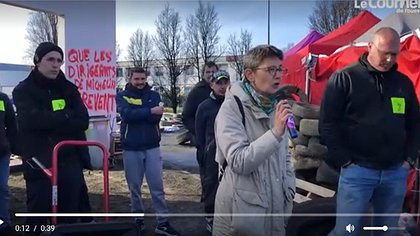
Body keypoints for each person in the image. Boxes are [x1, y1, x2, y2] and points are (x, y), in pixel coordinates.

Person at [319, 27, 420, 236]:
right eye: (385, 53)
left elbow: (415, 124)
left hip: (394, 173)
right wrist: (345, 161)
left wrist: (409, 159)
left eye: (394, 54)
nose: (390, 59)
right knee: (347, 231)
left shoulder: (403, 84)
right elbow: (328, 123)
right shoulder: (344, 78)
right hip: (357, 172)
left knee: (386, 231)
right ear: (370, 46)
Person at [212, 45, 296, 236]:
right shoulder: (231, 109)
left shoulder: (276, 106)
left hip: (275, 209)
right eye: (270, 69)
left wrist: (289, 185)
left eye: (280, 68)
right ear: (250, 74)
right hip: (242, 215)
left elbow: (285, 155)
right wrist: (274, 133)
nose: (278, 75)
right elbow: (239, 162)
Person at [12, 42, 92, 236]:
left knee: (69, 215)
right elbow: (31, 121)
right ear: (38, 61)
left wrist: (51, 119)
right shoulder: (23, 90)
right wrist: (65, 116)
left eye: (59, 60)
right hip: (39, 163)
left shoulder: (69, 89)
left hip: (69, 161)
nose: (55, 64)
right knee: (38, 216)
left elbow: (82, 120)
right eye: (50, 59)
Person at [116, 68, 179, 236]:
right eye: (136, 78)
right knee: (134, 188)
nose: (140, 81)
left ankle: (163, 222)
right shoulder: (122, 96)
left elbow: (156, 118)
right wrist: (149, 111)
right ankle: (138, 220)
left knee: (157, 187)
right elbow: (127, 115)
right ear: (129, 79)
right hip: (131, 148)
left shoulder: (154, 95)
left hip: (152, 147)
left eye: (142, 78)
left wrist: (140, 113)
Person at [195, 70, 230, 233]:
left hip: (231, 151)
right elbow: (199, 133)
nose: (222, 87)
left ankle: (228, 217)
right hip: (211, 153)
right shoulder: (204, 106)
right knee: (211, 186)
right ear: (211, 85)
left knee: (230, 185)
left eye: (225, 83)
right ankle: (210, 217)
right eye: (219, 83)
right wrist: (202, 153)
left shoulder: (233, 104)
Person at [182, 61, 218, 200]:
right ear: (203, 74)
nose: (210, 75)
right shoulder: (197, 92)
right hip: (205, 141)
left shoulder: (223, 89)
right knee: (207, 172)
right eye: (207, 72)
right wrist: (198, 132)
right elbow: (186, 116)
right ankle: (207, 200)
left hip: (222, 139)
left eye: (213, 72)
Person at [0, 92, 17, 235]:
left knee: (1, 188)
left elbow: (12, 124)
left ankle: (3, 225)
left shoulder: (2, 98)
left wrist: (12, 146)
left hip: (1, 153)